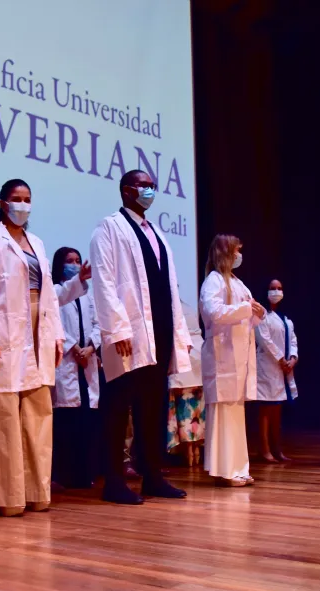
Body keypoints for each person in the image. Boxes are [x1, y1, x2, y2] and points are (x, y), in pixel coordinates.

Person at [89, 169, 192, 505]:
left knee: (152, 407)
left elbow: (168, 286)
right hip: (127, 334)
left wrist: (178, 332)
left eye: (152, 186)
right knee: (118, 407)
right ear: (126, 190)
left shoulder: (156, 232)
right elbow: (104, 281)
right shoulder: (109, 228)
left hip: (158, 332)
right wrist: (117, 328)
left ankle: (152, 476)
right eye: (143, 186)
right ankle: (114, 482)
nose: (150, 191)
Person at [0, 178, 64, 517]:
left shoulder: (36, 242)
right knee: (4, 412)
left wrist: (56, 335)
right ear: (2, 203)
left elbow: (50, 292)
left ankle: (36, 491)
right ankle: (6, 495)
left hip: (39, 326)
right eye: (16, 198)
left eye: (27, 199)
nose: (22, 205)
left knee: (39, 411)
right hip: (6, 329)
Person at [200, 235, 265, 487]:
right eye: (236, 250)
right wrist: (246, 309)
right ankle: (225, 470)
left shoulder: (238, 283)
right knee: (224, 414)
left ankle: (238, 467)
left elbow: (247, 315)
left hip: (238, 358)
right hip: (222, 358)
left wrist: (257, 314)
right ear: (226, 253)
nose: (239, 255)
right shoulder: (214, 281)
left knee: (236, 414)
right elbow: (214, 312)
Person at [51, 247, 101, 489]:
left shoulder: (89, 294)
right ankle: (62, 475)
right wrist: (74, 348)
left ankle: (83, 474)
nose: (74, 264)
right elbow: (55, 326)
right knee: (65, 422)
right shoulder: (55, 293)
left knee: (85, 423)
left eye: (77, 260)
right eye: (69, 261)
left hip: (86, 361)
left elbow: (98, 323)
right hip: (67, 361)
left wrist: (90, 348)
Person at [254, 279, 298, 463]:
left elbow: (293, 340)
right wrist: (281, 359)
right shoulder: (261, 315)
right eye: (272, 288)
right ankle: (264, 449)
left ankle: (277, 448)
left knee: (277, 408)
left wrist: (293, 358)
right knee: (265, 408)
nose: (276, 291)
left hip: (282, 368)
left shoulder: (286, 318)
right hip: (267, 366)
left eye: (279, 288)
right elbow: (264, 340)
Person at [167, 299, 205, 466]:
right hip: (197, 359)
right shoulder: (188, 308)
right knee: (197, 411)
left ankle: (189, 450)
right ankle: (194, 450)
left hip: (184, 358)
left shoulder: (175, 310)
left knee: (184, 410)